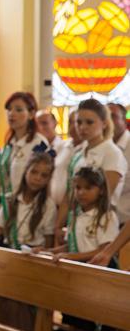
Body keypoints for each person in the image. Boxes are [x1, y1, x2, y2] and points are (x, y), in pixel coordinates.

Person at [0, 151, 56, 331]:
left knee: (22, 307)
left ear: (48, 180)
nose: (37, 178)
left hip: (32, 258)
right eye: (34, 172)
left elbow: (48, 240)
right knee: (5, 304)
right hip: (11, 254)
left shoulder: (48, 205)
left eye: (44, 175)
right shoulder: (11, 200)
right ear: (26, 171)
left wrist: (42, 250)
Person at [38, 167, 120, 331]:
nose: (81, 192)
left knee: (104, 329)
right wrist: (47, 251)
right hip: (77, 276)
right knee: (77, 324)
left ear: (101, 190)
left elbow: (103, 250)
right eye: (78, 188)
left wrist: (71, 257)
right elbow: (72, 245)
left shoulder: (106, 215)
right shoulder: (76, 215)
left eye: (88, 188)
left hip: (100, 275)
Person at [54, 98, 127, 238]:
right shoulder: (79, 152)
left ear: (104, 123)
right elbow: (69, 193)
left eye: (89, 122)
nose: (82, 127)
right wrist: (58, 226)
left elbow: (105, 196)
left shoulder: (111, 153)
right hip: (76, 223)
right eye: (79, 122)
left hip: (98, 227)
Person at [0, 92, 49, 228]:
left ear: (31, 114)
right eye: (9, 110)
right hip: (6, 207)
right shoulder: (9, 144)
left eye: (18, 110)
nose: (12, 114)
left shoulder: (38, 143)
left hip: (27, 208)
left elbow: (39, 182)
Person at [51, 109, 82, 207]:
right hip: (53, 204)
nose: (72, 126)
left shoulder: (88, 149)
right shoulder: (61, 146)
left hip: (74, 207)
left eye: (76, 122)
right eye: (70, 122)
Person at [109, 102, 130, 225]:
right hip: (107, 222)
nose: (109, 121)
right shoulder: (103, 147)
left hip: (126, 220)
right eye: (106, 117)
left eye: (113, 116)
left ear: (124, 121)